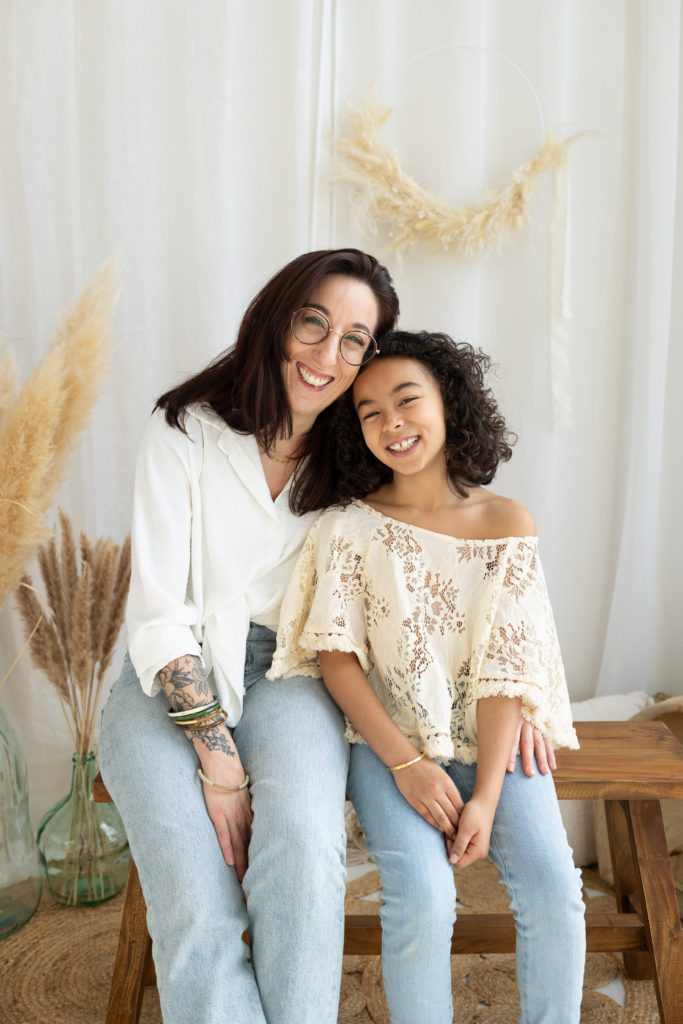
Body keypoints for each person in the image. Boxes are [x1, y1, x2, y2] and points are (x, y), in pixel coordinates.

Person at [98, 248, 400, 1024]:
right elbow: (159, 613)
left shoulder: (358, 460)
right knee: (196, 908)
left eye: (353, 342)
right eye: (313, 324)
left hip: (292, 674)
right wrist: (217, 757)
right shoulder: (184, 430)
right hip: (167, 674)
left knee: (302, 856)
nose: (326, 356)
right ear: (278, 319)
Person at [269, 329, 586, 1024]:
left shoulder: (507, 522)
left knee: (553, 889)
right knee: (421, 893)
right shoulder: (347, 528)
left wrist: (488, 793)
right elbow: (335, 658)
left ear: (449, 403)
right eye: (369, 412)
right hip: (388, 750)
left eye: (407, 400)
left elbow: (507, 664)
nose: (391, 423)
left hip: (494, 747)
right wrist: (407, 763)